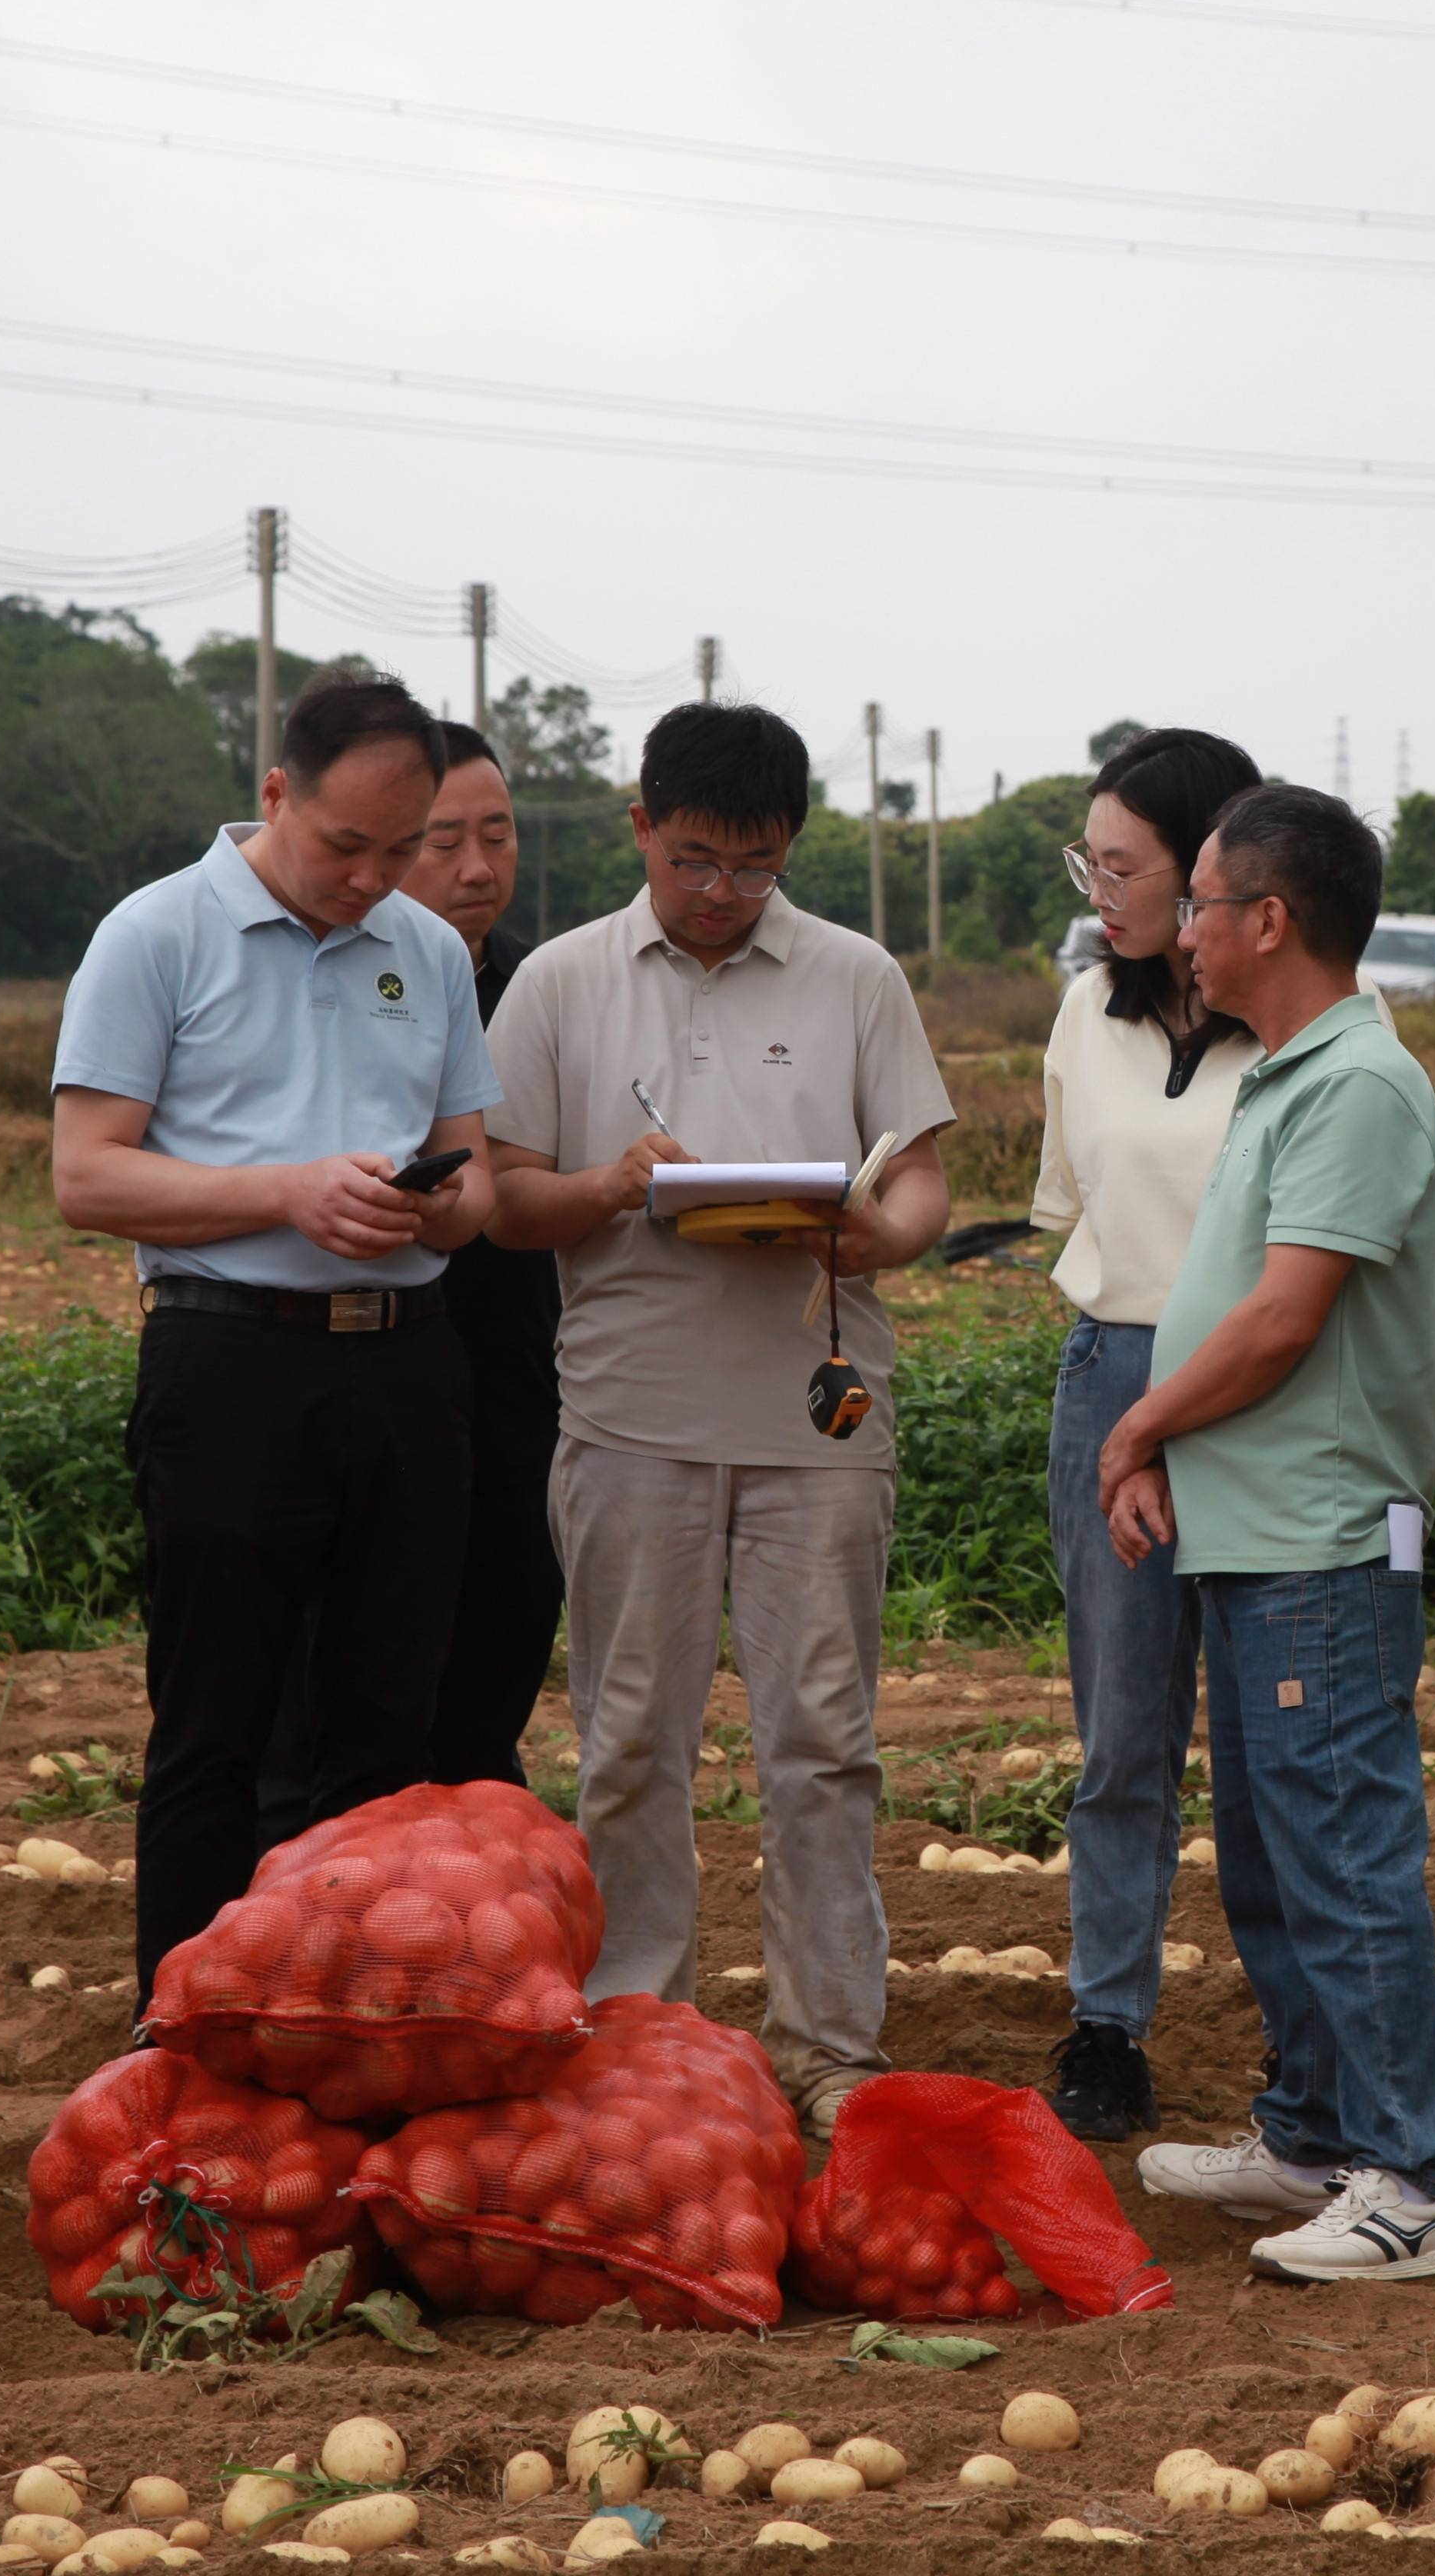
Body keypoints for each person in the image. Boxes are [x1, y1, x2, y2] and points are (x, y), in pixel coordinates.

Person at [481, 702, 954, 2138]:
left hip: (818, 1422)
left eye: (755, 866)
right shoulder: (560, 981)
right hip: (631, 1415)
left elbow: (921, 1179)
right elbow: (505, 1200)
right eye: (695, 859)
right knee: (631, 1738)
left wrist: (880, 1232)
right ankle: (643, 2029)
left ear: (790, 848)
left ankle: (828, 2045)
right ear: (642, 826)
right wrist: (614, 1184)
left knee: (823, 1740)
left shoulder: (855, 975)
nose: (723, 891)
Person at [52, 672, 500, 1997]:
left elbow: (473, 1173)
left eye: (400, 849)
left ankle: (353, 2019)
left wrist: (443, 1206)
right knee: (215, 1725)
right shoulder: (156, 933)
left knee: (387, 1727)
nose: (370, 879)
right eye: (344, 844)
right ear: (274, 795)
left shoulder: (427, 951)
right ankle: (185, 2028)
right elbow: (87, 1174)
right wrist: (287, 1192)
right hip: (231, 1360)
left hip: (407, 1363)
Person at [1101, 785, 1435, 2286]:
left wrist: (1138, 1425)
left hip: (1324, 1538)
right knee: (1272, 1858)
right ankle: (1315, 2135)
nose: (1181, 929)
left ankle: (1408, 2184)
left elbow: (1280, 1319)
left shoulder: (1358, 1083)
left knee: (1344, 1859)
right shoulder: (1283, 1071)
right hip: (1257, 1535)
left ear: (1269, 919)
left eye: (1198, 901)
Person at [257, 721, 567, 1828]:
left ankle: (462, 1902)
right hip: (358, 1374)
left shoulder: (548, 989)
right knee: (327, 1707)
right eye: (441, 842)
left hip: (514, 1389)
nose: (476, 868)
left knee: (490, 1673)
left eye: (499, 836)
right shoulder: (318, 973)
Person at [1028, 725, 1264, 2141]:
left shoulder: (1306, 1020)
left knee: (1271, 1729)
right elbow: (1074, 1208)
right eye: (1091, 864)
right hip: (1113, 1375)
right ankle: (1108, 2023)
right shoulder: (1083, 1012)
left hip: (1262, 1381)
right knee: (1121, 1732)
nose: (1100, 892)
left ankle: (1304, 2037)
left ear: (1210, 871)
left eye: (1123, 867)